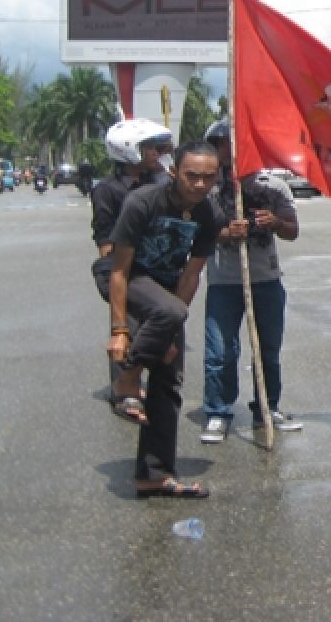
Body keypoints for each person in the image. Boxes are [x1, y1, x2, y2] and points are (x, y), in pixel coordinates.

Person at [107, 141, 221, 498]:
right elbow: (118, 270)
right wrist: (120, 331)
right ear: (174, 172)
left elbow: (190, 277)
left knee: (169, 379)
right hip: (129, 278)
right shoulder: (143, 202)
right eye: (192, 176)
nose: (200, 185)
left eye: (208, 178)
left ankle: (153, 473)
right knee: (169, 311)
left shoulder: (210, 215)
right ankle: (126, 380)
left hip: (167, 293)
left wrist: (170, 332)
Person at [200, 120, 302, 443]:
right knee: (220, 351)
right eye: (222, 145)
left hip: (266, 280)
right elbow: (198, 233)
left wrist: (274, 222)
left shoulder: (273, 186)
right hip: (224, 282)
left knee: (268, 350)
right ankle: (217, 412)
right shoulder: (208, 189)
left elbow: (293, 230)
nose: (230, 151)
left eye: (236, 143)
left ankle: (267, 408)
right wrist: (226, 233)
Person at [91, 118, 174, 423]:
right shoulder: (107, 190)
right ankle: (124, 391)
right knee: (128, 326)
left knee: (161, 325)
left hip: (160, 268)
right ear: (128, 151)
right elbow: (104, 238)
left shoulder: (162, 182)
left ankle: (152, 385)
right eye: (150, 148)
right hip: (126, 269)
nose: (156, 153)